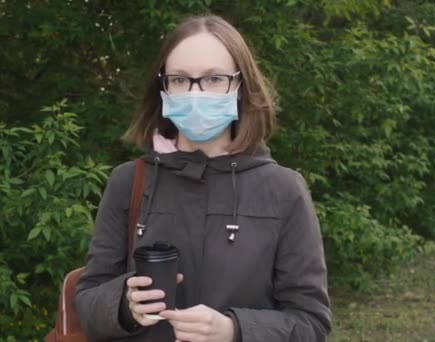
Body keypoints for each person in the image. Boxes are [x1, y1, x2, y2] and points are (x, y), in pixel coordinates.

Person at [75, 14, 331, 341]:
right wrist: (124, 306)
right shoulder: (128, 182)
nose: (195, 93)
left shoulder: (283, 190)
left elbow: (311, 324)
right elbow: (87, 300)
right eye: (180, 80)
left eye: (213, 79)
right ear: (163, 89)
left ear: (240, 86)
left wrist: (233, 330)